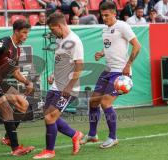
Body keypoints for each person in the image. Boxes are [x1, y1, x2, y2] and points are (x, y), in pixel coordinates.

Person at [80, 1, 141, 149]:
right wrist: (102, 53)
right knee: (93, 101)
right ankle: (93, 134)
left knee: (105, 103)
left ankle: (113, 137)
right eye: (102, 15)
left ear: (114, 13)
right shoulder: (105, 29)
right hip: (107, 71)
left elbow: (137, 45)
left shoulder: (122, 26)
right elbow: (111, 45)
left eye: (107, 15)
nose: (104, 18)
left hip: (120, 72)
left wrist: (128, 65)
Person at [0, 20, 35, 156]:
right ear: (16, 31)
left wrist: (27, 82)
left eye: (28, 33)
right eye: (24, 33)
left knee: (23, 104)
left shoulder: (17, 50)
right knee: (7, 110)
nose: (26, 36)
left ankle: (8, 138)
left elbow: (15, 73)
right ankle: (15, 149)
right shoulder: (5, 41)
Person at [33, 12, 84, 159]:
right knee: (47, 116)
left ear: (60, 26)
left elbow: (79, 65)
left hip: (68, 87)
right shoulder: (60, 39)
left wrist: (69, 86)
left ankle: (50, 151)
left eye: (52, 29)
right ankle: (75, 135)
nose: (51, 32)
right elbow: (62, 62)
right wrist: (54, 75)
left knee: (50, 118)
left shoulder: (74, 41)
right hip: (56, 85)